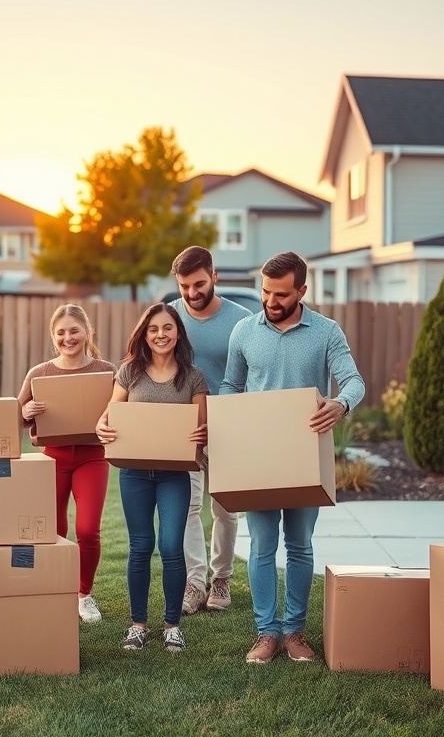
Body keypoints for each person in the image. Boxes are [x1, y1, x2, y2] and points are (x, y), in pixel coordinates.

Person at [219, 252, 365, 664]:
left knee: (299, 545)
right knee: (263, 546)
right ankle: (266, 633)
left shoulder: (326, 332)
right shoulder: (244, 331)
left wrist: (341, 403)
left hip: (305, 454)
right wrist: (229, 416)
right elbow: (230, 384)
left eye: (281, 294)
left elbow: (353, 380)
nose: (270, 300)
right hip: (260, 455)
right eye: (266, 291)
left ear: (302, 290)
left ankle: (294, 631)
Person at [95, 303, 208, 653]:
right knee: (140, 546)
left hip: (175, 475)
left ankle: (172, 626)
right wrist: (101, 425)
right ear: (144, 335)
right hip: (135, 475)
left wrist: (203, 434)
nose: (161, 335)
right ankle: (138, 625)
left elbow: (202, 426)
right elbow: (110, 415)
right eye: (154, 329)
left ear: (178, 333)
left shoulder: (193, 377)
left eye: (168, 328)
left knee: (172, 547)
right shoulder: (130, 372)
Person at [18, 304, 117, 623]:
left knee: (87, 530)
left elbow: (122, 413)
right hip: (54, 458)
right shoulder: (39, 373)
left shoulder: (106, 372)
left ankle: (83, 595)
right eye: (60, 333)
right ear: (53, 336)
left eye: (74, 330)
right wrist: (25, 412)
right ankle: (57, 590)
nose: (68, 338)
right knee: (53, 530)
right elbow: (13, 418)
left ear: (87, 332)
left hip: (93, 458)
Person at [168, 246, 251, 615]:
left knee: (225, 509)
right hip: (184, 425)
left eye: (199, 284)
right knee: (187, 507)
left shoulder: (241, 321)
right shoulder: (170, 316)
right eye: (184, 286)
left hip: (228, 425)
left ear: (215, 277)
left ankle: (222, 579)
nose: (191, 293)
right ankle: (195, 581)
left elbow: (252, 375)